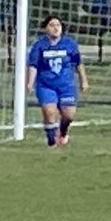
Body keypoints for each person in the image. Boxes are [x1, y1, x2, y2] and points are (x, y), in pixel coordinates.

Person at [25, 15, 88, 148]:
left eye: (58, 25)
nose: (55, 28)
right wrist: (30, 83)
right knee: (50, 113)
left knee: (69, 115)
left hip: (66, 85)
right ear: (46, 28)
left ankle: (63, 132)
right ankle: (51, 141)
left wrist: (84, 81)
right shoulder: (39, 45)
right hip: (46, 85)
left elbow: (78, 63)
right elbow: (33, 65)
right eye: (52, 25)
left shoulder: (70, 44)